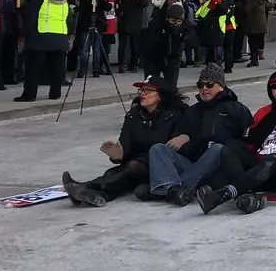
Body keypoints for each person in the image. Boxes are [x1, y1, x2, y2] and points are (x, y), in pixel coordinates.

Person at [195, 68, 276, 214]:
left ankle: (222, 195)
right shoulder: (263, 112)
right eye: (274, 86)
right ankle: (246, 196)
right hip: (259, 168)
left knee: (272, 159)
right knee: (230, 147)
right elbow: (250, 139)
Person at [61, 75, 189, 206]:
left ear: (160, 95)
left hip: (161, 169)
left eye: (148, 90)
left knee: (131, 168)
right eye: (141, 90)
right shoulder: (133, 116)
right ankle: (96, 195)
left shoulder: (176, 115)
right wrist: (117, 155)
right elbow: (125, 148)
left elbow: (171, 150)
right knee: (120, 172)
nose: (143, 94)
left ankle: (87, 187)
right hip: (135, 168)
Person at [144, 65, 253, 206]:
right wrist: (185, 138)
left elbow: (247, 141)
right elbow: (181, 144)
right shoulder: (192, 111)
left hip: (221, 166)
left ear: (221, 86)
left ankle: (175, 190)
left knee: (217, 149)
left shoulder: (236, 109)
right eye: (200, 85)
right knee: (158, 149)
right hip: (195, 163)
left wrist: (223, 148)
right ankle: (174, 189)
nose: (204, 88)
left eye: (209, 84)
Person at [15, 0, 76, 102]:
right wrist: (70, 36)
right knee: (57, 68)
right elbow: (70, 20)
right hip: (60, 38)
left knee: (33, 69)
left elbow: (30, 19)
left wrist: (23, 35)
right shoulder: (65, 1)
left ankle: (29, 95)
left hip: (40, 37)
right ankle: (55, 93)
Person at [143, 3, 198, 87]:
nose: (176, 23)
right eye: (173, 21)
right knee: (151, 86)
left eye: (179, 21)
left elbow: (193, 39)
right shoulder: (156, 24)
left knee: (171, 86)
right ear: (167, 18)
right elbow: (149, 42)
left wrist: (183, 36)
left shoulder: (185, 25)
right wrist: (166, 34)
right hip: (154, 58)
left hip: (173, 58)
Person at [241, 0, 270, 67]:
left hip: (252, 26)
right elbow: (270, 6)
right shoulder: (263, 0)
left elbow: (246, 10)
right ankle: (258, 57)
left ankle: (254, 60)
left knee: (253, 44)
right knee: (259, 43)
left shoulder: (250, 0)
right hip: (262, 26)